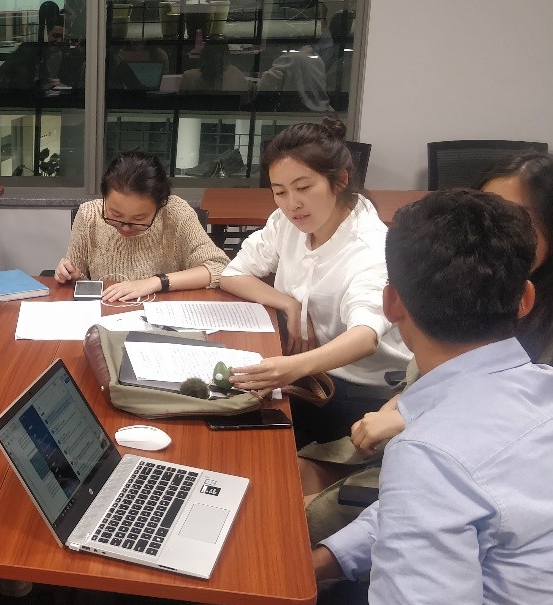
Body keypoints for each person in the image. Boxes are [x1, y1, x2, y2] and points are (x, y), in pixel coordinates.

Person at [129, 189, 553, 605]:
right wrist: (322, 564)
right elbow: (431, 511)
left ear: (392, 302)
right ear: (525, 298)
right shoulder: (536, 395)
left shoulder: (431, 452)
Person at [344, 150, 553, 462]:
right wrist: (403, 401)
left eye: (518, 218)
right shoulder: (469, 277)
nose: (493, 231)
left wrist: (411, 415)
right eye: (483, 213)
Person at [220, 118, 410, 451]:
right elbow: (233, 274)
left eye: (304, 188)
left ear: (340, 180)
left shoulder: (371, 248)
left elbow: (365, 336)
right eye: (280, 192)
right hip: (305, 375)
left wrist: (291, 368)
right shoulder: (287, 222)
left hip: (359, 392)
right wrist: (288, 302)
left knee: (248, 445)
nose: (291, 204)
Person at [54, 152, 228, 302]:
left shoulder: (175, 213)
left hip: (162, 311)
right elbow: (76, 279)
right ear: (104, 197)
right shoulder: (89, 215)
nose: (125, 228)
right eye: (115, 215)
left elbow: (220, 268)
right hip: (108, 310)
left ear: (160, 205)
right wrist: (70, 274)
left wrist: (155, 282)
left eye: (138, 219)